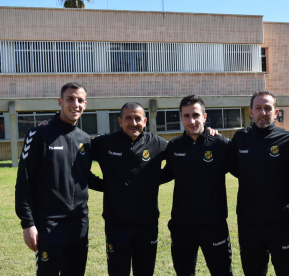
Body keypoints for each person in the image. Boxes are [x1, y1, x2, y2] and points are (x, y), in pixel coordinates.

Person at [15, 82, 93, 275]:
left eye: (80, 100)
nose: (75, 104)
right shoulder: (39, 134)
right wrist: (28, 223)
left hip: (79, 223)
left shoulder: (84, 138)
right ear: (60, 102)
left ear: (85, 104)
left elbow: (85, 176)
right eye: (70, 99)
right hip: (49, 223)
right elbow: (24, 182)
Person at [90, 102, 168, 276]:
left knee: (145, 272)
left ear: (145, 121)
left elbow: (177, 161)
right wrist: (107, 186)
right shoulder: (104, 143)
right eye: (128, 118)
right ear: (120, 121)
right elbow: (76, 156)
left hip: (147, 224)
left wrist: (151, 181)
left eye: (138, 118)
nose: (133, 123)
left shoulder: (158, 144)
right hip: (116, 224)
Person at [161, 95, 234, 276]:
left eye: (196, 115)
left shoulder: (221, 144)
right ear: (181, 118)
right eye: (186, 116)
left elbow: (243, 171)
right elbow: (162, 175)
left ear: (205, 116)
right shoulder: (174, 146)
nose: (191, 120)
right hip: (182, 227)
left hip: (214, 226)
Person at [231, 89, 289, 276]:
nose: (263, 113)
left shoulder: (288, 139)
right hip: (248, 222)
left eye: (268, 108)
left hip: (281, 221)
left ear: (276, 112)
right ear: (250, 112)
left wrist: (283, 185)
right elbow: (231, 166)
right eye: (258, 108)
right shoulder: (240, 138)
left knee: (287, 271)